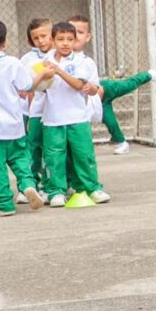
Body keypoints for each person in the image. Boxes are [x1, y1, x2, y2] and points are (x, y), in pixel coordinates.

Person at [0, 18, 51, 217]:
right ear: (6, 41)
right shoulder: (14, 63)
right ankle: (27, 184)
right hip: (15, 126)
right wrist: (41, 75)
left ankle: (3, 205)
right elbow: (26, 86)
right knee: (20, 160)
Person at [69, 15, 156, 155]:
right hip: (92, 104)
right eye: (71, 32)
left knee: (127, 84)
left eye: (80, 32)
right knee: (111, 122)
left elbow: (93, 85)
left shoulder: (87, 61)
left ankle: (149, 74)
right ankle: (122, 142)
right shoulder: (59, 59)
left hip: (104, 90)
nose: (75, 36)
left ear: (88, 37)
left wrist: (96, 91)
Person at [42, 21, 110, 207]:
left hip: (78, 117)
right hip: (53, 118)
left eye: (70, 39)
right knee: (54, 156)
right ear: (53, 40)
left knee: (83, 154)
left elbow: (79, 85)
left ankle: (91, 188)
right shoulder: (45, 60)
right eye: (61, 39)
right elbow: (37, 86)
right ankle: (56, 191)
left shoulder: (81, 61)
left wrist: (58, 71)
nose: (65, 43)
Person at [16, 18, 53, 204]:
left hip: (57, 112)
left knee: (52, 149)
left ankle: (51, 186)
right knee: (33, 146)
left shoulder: (58, 55)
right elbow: (27, 88)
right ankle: (29, 186)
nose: (41, 40)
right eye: (35, 37)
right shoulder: (27, 60)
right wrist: (30, 112)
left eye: (44, 36)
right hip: (37, 110)